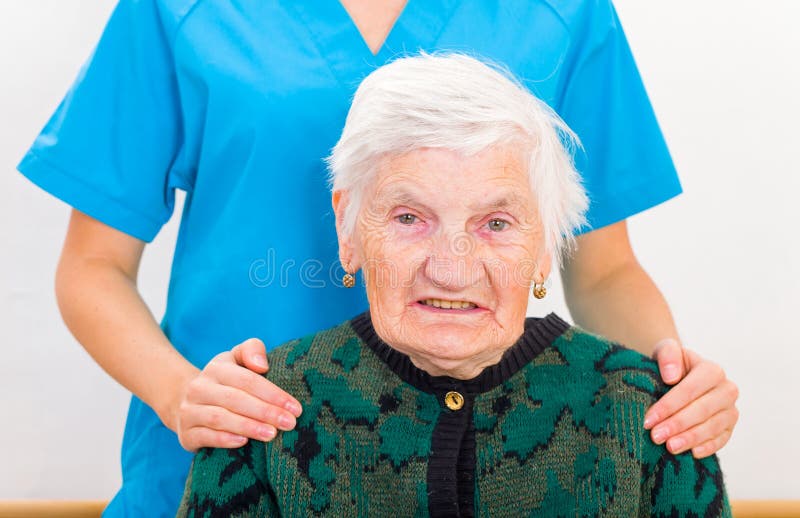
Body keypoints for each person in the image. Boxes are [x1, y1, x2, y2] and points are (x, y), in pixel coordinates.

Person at [17, 1, 738, 515]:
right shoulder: (174, 10)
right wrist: (185, 398)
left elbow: (602, 267)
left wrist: (668, 390)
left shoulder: (565, 12)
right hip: (232, 441)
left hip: (495, 456)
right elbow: (92, 268)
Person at [178, 53, 731, 517]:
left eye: (495, 224)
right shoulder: (259, 415)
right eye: (408, 218)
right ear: (348, 229)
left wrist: (671, 374)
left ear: (543, 250)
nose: (451, 269)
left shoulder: (654, 419)